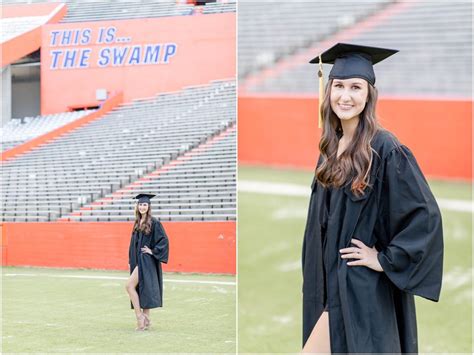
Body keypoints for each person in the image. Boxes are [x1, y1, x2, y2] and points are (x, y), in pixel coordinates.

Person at [301, 43, 444, 353]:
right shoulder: (330, 149)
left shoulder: (385, 148)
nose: (345, 96)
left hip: (362, 292)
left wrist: (382, 259)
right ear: (329, 91)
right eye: (338, 86)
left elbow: (425, 216)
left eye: (356, 87)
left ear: (369, 94)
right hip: (328, 287)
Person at [125, 193, 169, 331]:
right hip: (138, 261)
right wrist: (131, 259)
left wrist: (153, 251)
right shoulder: (137, 223)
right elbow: (133, 244)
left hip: (147, 260)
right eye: (140, 204)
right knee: (143, 288)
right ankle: (145, 320)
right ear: (137, 206)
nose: (142, 207)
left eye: (145, 204)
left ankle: (140, 317)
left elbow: (164, 241)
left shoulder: (154, 222)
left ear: (149, 207)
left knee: (129, 286)